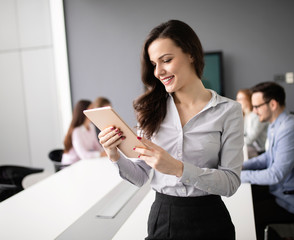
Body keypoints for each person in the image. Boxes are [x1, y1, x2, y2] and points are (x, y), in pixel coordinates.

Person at [98, 20, 244, 240]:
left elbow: (231, 183)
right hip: (164, 217)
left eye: (166, 60)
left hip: (211, 219)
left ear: (191, 54)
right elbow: (139, 176)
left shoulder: (229, 111)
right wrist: (114, 154)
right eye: (154, 64)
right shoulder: (150, 110)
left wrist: (177, 168)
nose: (159, 71)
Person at [240, 82, 294, 240]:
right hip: (281, 190)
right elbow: (268, 157)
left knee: (250, 215)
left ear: (272, 104)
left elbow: (275, 175)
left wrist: (239, 176)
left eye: (257, 106)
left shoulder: (289, 130)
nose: (253, 111)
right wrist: (242, 167)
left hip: (293, 199)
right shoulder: (276, 125)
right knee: (245, 204)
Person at [62, 98, 110, 165]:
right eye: (90, 110)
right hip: (71, 164)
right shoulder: (76, 131)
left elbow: (96, 146)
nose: (93, 112)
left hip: (83, 162)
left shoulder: (91, 126)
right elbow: (83, 155)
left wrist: (108, 151)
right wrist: (101, 154)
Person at [236, 88, 268, 158]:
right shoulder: (247, 115)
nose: (237, 101)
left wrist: (233, 141)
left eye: (240, 99)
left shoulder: (257, 116)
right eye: (237, 99)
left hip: (262, 151)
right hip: (254, 148)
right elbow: (243, 133)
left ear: (249, 100)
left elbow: (250, 139)